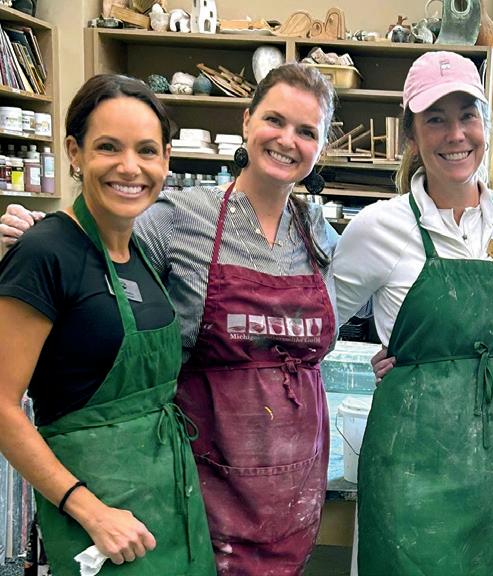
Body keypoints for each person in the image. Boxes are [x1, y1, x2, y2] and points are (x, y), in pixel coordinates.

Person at [1, 63, 339, 575]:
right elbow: (95, 244)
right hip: (200, 481)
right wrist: (32, 232)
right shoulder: (175, 219)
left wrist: (397, 348)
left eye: (307, 131)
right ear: (246, 122)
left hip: (295, 489)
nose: (287, 140)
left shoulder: (318, 231)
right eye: (274, 120)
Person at [0, 75, 216, 575]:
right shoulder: (44, 254)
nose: (130, 167)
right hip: (100, 526)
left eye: (147, 150)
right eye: (108, 147)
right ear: (74, 153)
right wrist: (90, 511)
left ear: (166, 160)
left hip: (172, 506)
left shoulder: (140, 253)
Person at [333, 50, 493, 575]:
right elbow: (315, 324)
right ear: (411, 135)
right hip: (411, 467)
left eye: (467, 115)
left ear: (484, 124)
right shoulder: (380, 226)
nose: (456, 135)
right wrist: (392, 359)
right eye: (436, 120)